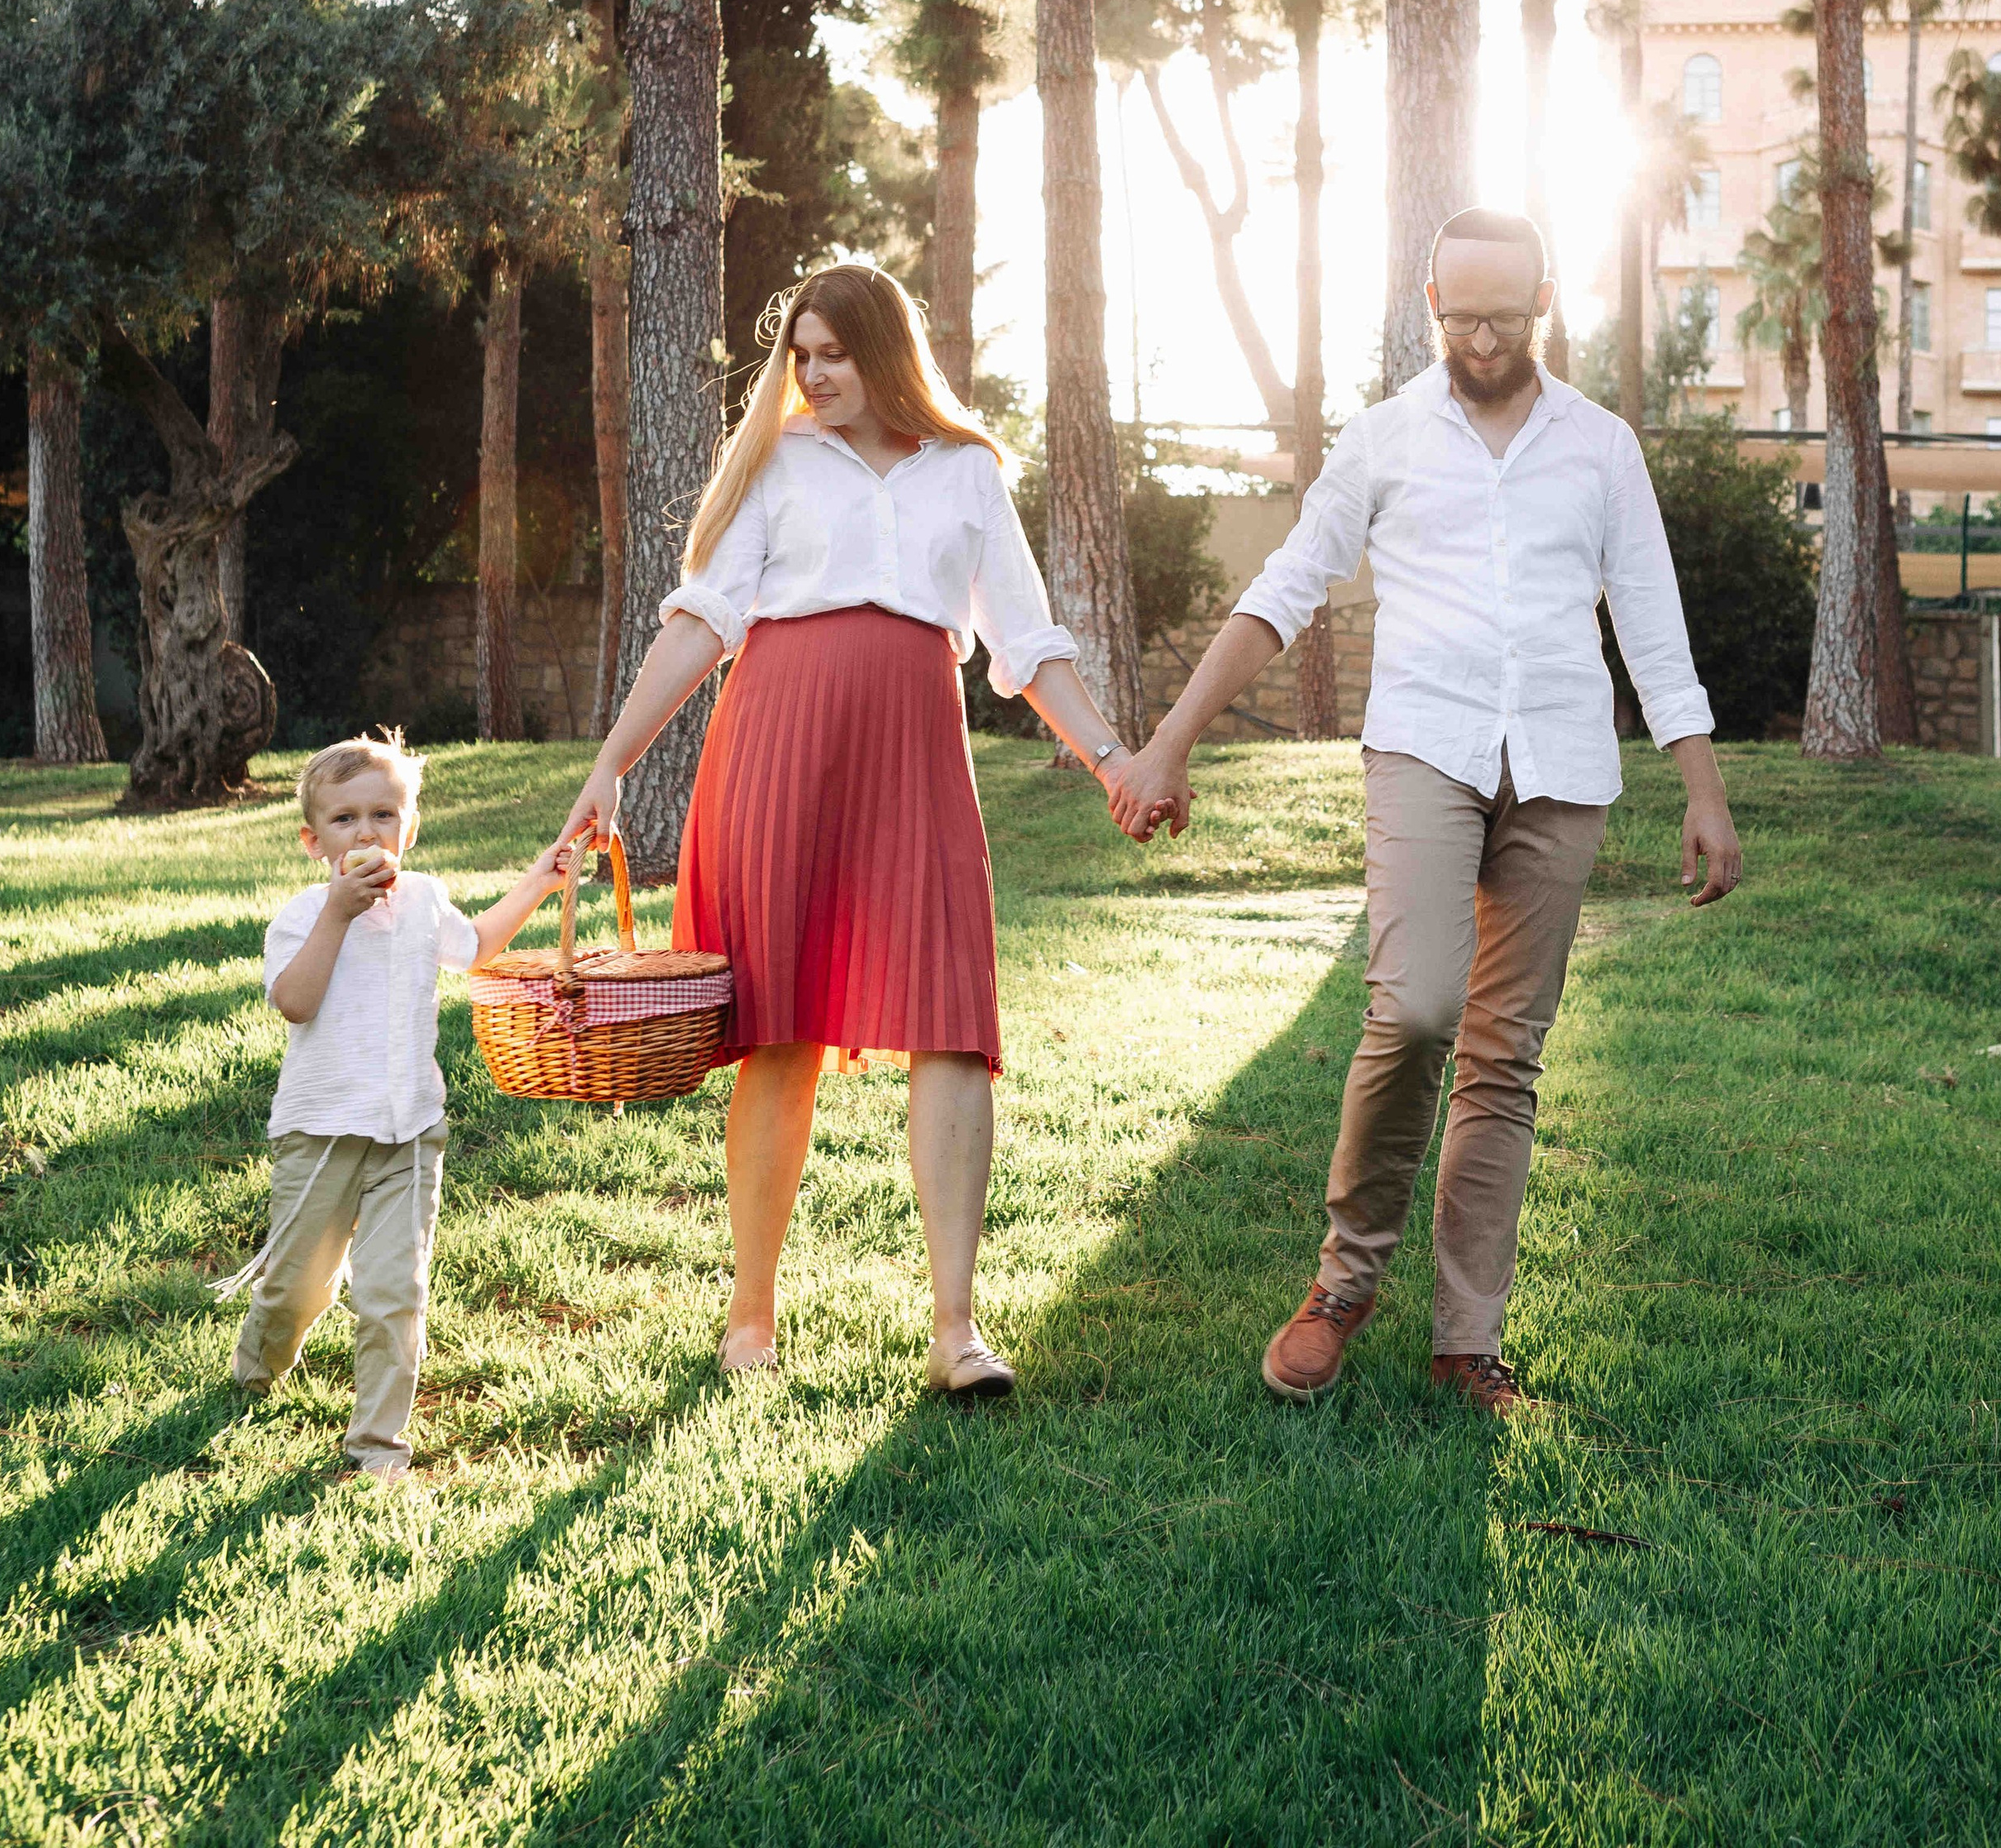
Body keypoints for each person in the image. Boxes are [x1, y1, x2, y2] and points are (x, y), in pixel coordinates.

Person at [1107, 207, 1742, 1415]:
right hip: (1425, 749)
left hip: (1560, 763)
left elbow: (1652, 625)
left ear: (1543, 303)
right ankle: (1343, 1286)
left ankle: (1466, 1341)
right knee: (1415, 1009)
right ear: (1432, 303)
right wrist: (1170, 741)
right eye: (1462, 319)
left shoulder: (1601, 448)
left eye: (1504, 318)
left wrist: (1702, 791)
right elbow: (1285, 588)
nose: (1482, 341)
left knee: (1504, 1057)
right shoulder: (1384, 439)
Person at [569, 261, 1139, 1402]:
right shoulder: (776, 460)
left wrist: (1114, 761)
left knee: (952, 1024)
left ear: (884, 352)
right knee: (779, 1034)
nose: (814, 374)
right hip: (777, 745)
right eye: (801, 355)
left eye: (834, 353)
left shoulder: (967, 469)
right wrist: (611, 763)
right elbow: (702, 622)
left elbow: (1028, 645)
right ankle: (752, 1311)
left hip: (915, 756)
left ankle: (956, 1329)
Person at [224, 732, 578, 1480]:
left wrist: (538, 883)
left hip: (411, 1132)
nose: (366, 833)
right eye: (345, 819)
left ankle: (378, 1446)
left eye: (383, 815)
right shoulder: (302, 915)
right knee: (297, 1286)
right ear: (314, 842)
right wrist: (337, 915)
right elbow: (295, 1002)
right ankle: (256, 1368)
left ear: (407, 830)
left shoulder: (422, 901)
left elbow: (477, 946)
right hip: (320, 1134)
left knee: (394, 1292)